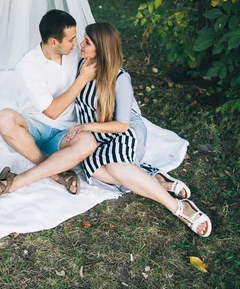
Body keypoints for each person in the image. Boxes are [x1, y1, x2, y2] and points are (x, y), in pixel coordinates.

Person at [64, 23, 212, 237]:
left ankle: (179, 208)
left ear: (102, 49)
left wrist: (86, 126)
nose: (80, 44)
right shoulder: (82, 66)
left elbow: (122, 124)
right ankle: (152, 175)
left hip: (121, 130)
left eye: (87, 42)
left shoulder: (119, 78)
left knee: (117, 168)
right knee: (96, 172)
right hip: (96, 136)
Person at [0, 10, 98, 202]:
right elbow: (52, 112)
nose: (76, 43)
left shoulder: (74, 54)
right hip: (35, 129)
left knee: (89, 142)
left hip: (66, 132)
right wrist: (82, 79)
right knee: (3, 117)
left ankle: (18, 180)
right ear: (54, 42)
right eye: (71, 39)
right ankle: (56, 172)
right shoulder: (27, 66)